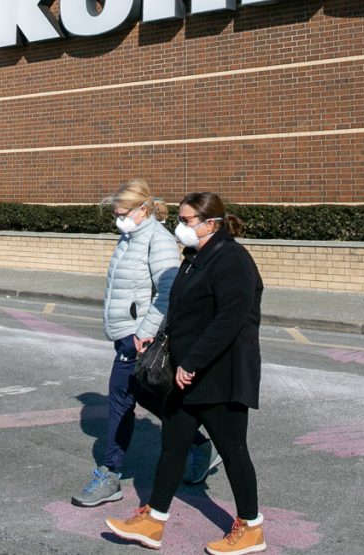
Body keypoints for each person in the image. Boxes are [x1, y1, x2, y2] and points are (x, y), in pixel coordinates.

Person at [106, 192, 266, 554]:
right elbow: (181, 311)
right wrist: (157, 339)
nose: (181, 226)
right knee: (173, 445)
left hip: (220, 375)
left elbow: (229, 320)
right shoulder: (196, 258)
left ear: (212, 223)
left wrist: (192, 362)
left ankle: (252, 526)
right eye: (180, 218)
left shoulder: (232, 260)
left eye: (187, 220)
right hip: (187, 373)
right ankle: (154, 519)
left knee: (233, 449)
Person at [71, 180, 220, 508]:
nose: (118, 217)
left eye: (123, 212)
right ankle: (199, 443)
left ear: (143, 210)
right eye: (115, 212)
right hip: (126, 332)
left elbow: (167, 294)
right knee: (152, 397)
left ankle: (110, 473)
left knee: (119, 400)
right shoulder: (128, 238)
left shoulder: (159, 241)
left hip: (138, 337)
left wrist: (144, 332)